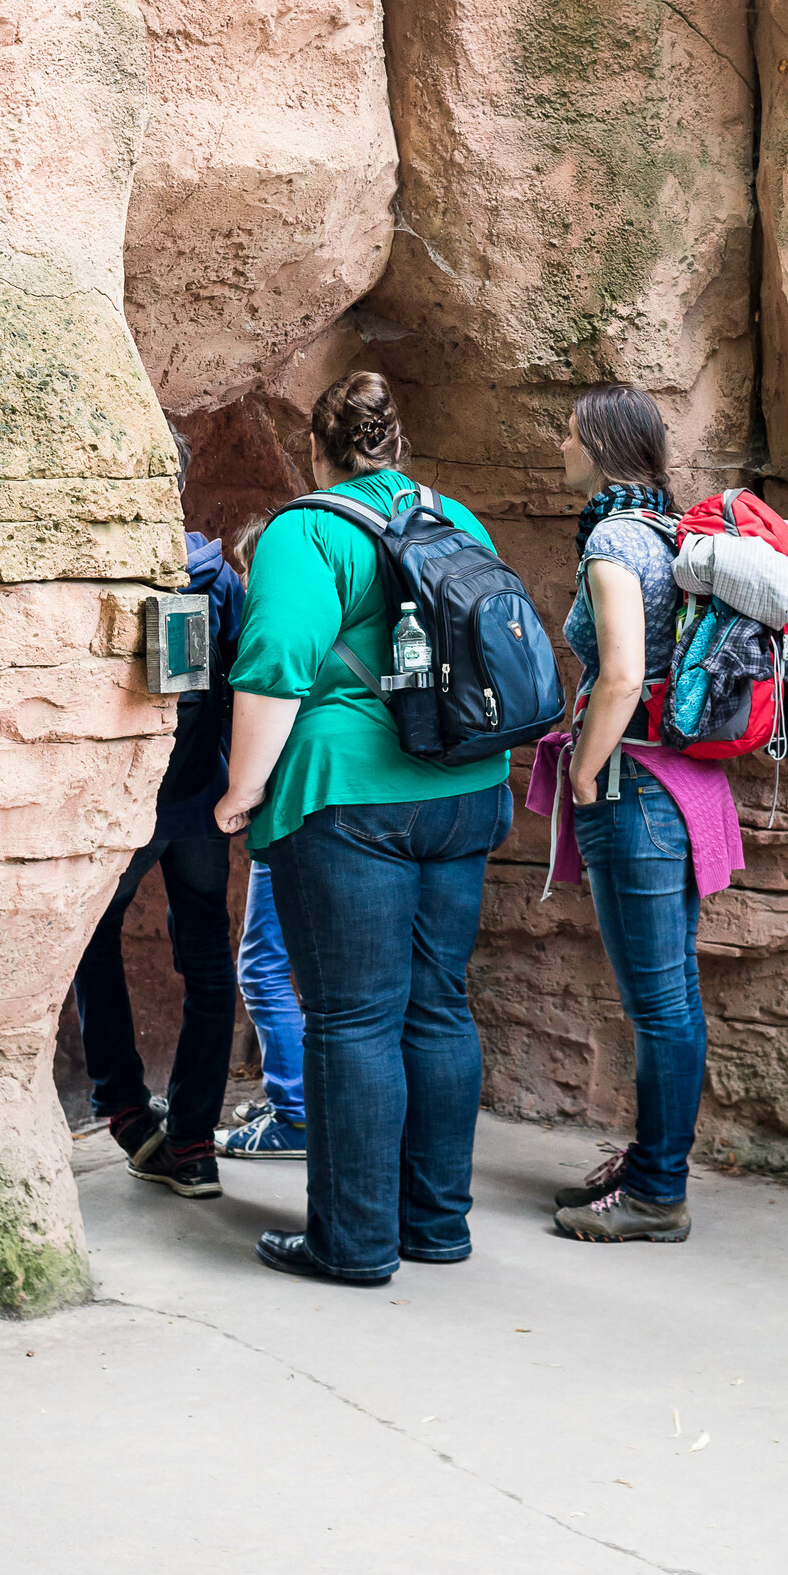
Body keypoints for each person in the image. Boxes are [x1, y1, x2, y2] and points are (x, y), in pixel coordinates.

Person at [213, 371, 513, 1286]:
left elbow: (273, 668)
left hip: (351, 798)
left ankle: (352, 1240)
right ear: (397, 444)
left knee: (352, 1018)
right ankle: (436, 1224)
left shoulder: (307, 528)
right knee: (436, 1001)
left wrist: (239, 792)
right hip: (466, 784)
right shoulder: (456, 516)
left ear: (319, 450)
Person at [535, 383, 745, 1244]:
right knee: (673, 997)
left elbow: (621, 672)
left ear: (597, 442)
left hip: (636, 791)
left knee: (660, 1005)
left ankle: (660, 1190)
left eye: (567, 431)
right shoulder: (665, 526)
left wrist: (584, 773)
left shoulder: (617, 538)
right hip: (679, 790)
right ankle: (653, 1159)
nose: (558, 445)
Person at [69, 434, 244, 1200]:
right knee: (209, 963)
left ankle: (128, 1113)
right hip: (203, 798)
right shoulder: (220, 579)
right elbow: (244, 681)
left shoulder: (104, 575)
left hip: (129, 807)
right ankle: (196, 1142)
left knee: (86, 936)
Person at [215, 515, 307, 1164]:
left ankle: (296, 1111)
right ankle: (293, 1098)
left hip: (287, 810)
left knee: (263, 960)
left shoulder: (274, 625)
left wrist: (237, 795)